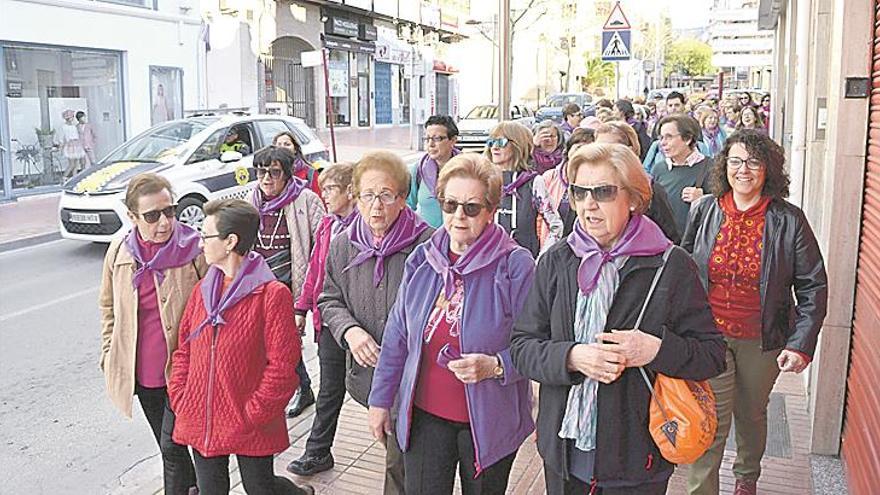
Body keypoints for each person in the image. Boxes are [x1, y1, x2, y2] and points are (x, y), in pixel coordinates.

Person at [510, 143, 726, 494]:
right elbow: (522, 345)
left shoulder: (672, 266)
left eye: (604, 192)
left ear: (634, 199)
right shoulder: (557, 261)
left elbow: (712, 354)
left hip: (636, 460)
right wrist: (571, 356)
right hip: (563, 455)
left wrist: (655, 350)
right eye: (579, 191)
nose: (588, 204)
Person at [367, 154, 536, 494]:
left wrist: (496, 366)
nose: (459, 215)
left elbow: (534, 345)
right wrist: (380, 400)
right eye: (450, 204)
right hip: (426, 415)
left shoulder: (515, 265)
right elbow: (398, 334)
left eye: (472, 207)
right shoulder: (423, 257)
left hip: (488, 423)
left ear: (491, 210)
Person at [683, 130, 828, 495]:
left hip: (762, 339)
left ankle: (747, 476)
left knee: (750, 414)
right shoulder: (704, 210)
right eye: (735, 160)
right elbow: (682, 272)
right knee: (710, 421)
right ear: (724, 165)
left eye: (753, 162)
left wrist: (800, 344)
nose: (743, 169)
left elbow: (812, 285)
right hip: (709, 337)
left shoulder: (788, 219)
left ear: (768, 169)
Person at [168, 199, 314, 495]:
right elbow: (184, 349)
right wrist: (181, 395)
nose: (200, 243)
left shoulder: (271, 294)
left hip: (249, 419)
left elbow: (284, 367)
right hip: (202, 413)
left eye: (206, 236)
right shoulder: (202, 290)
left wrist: (254, 413)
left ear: (230, 241)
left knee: (261, 488)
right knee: (210, 489)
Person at [318, 151, 434, 495]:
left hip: (416, 378)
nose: (376, 206)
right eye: (368, 195)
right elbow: (328, 298)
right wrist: (350, 331)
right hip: (368, 376)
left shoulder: (427, 245)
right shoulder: (344, 244)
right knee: (397, 454)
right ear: (356, 196)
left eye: (386, 195)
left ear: (402, 198)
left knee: (402, 461)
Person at [99, 173, 204, 495]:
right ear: (132, 217)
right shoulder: (120, 251)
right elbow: (108, 306)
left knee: (176, 447)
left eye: (169, 211)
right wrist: (109, 352)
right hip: (144, 376)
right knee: (169, 448)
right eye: (152, 215)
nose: (164, 222)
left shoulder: (195, 249)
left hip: (186, 372)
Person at [287, 163, 359, 477]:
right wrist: (302, 309)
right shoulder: (328, 225)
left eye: (330, 189)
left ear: (350, 191)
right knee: (330, 387)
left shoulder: (363, 226)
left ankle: (399, 452)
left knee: (375, 388)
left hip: (359, 323)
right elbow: (316, 271)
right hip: (327, 320)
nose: (324, 195)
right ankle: (317, 451)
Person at [246, 146, 326, 419]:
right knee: (269, 341)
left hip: (293, 282)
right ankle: (300, 387)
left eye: (274, 172)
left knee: (286, 339)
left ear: (288, 174)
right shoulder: (252, 199)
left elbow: (322, 246)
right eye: (261, 171)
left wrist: (308, 296)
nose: (266, 178)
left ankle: (301, 388)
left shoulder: (305, 199)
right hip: (260, 283)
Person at [593, 122, 681, 244]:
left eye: (609, 149)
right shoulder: (586, 187)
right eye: (596, 149)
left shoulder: (650, 189)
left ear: (629, 151)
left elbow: (670, 237)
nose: (600, 155)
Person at [485, 121, 562, 257]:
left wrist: (541, 259)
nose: (494, 147)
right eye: (491, 142)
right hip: (489, 263)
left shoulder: (533, 182)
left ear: (517, 145)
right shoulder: (484, 180)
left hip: (523, 264)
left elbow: (555, 226)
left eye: (501, 142)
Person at [648, 114, 713, 234]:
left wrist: (704, 199)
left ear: (688, 138)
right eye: (661, 137)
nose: (663, 143)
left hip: (696, 242)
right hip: (666, 242)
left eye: (669, 137)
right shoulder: (659, 169)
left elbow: (724, 207)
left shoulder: (711, 167)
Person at [408, 115, 461, 228]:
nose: (430, 144)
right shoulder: (418, 170)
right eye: (427, 139)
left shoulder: (467, 169)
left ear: (453, 140)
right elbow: (407, 208)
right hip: (427, 241)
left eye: (437, 139)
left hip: (461, 240)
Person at [273, 131, 322, 197]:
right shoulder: (269, 173)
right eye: (279, 144)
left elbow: (319, 200)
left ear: (295, 149)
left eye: (287, 144)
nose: (283, 147)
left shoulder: (310, 173)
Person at [61, 109, 87, 178]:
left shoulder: (74, 126)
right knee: (72, 164)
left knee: (76, 164)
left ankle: (74, 177)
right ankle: (64, 177)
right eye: (71, 117)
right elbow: (64, 138)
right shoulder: (64, 127)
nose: (72, 118)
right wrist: (62, 146)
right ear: (67, 118)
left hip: (77, 144)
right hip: (70, 145)